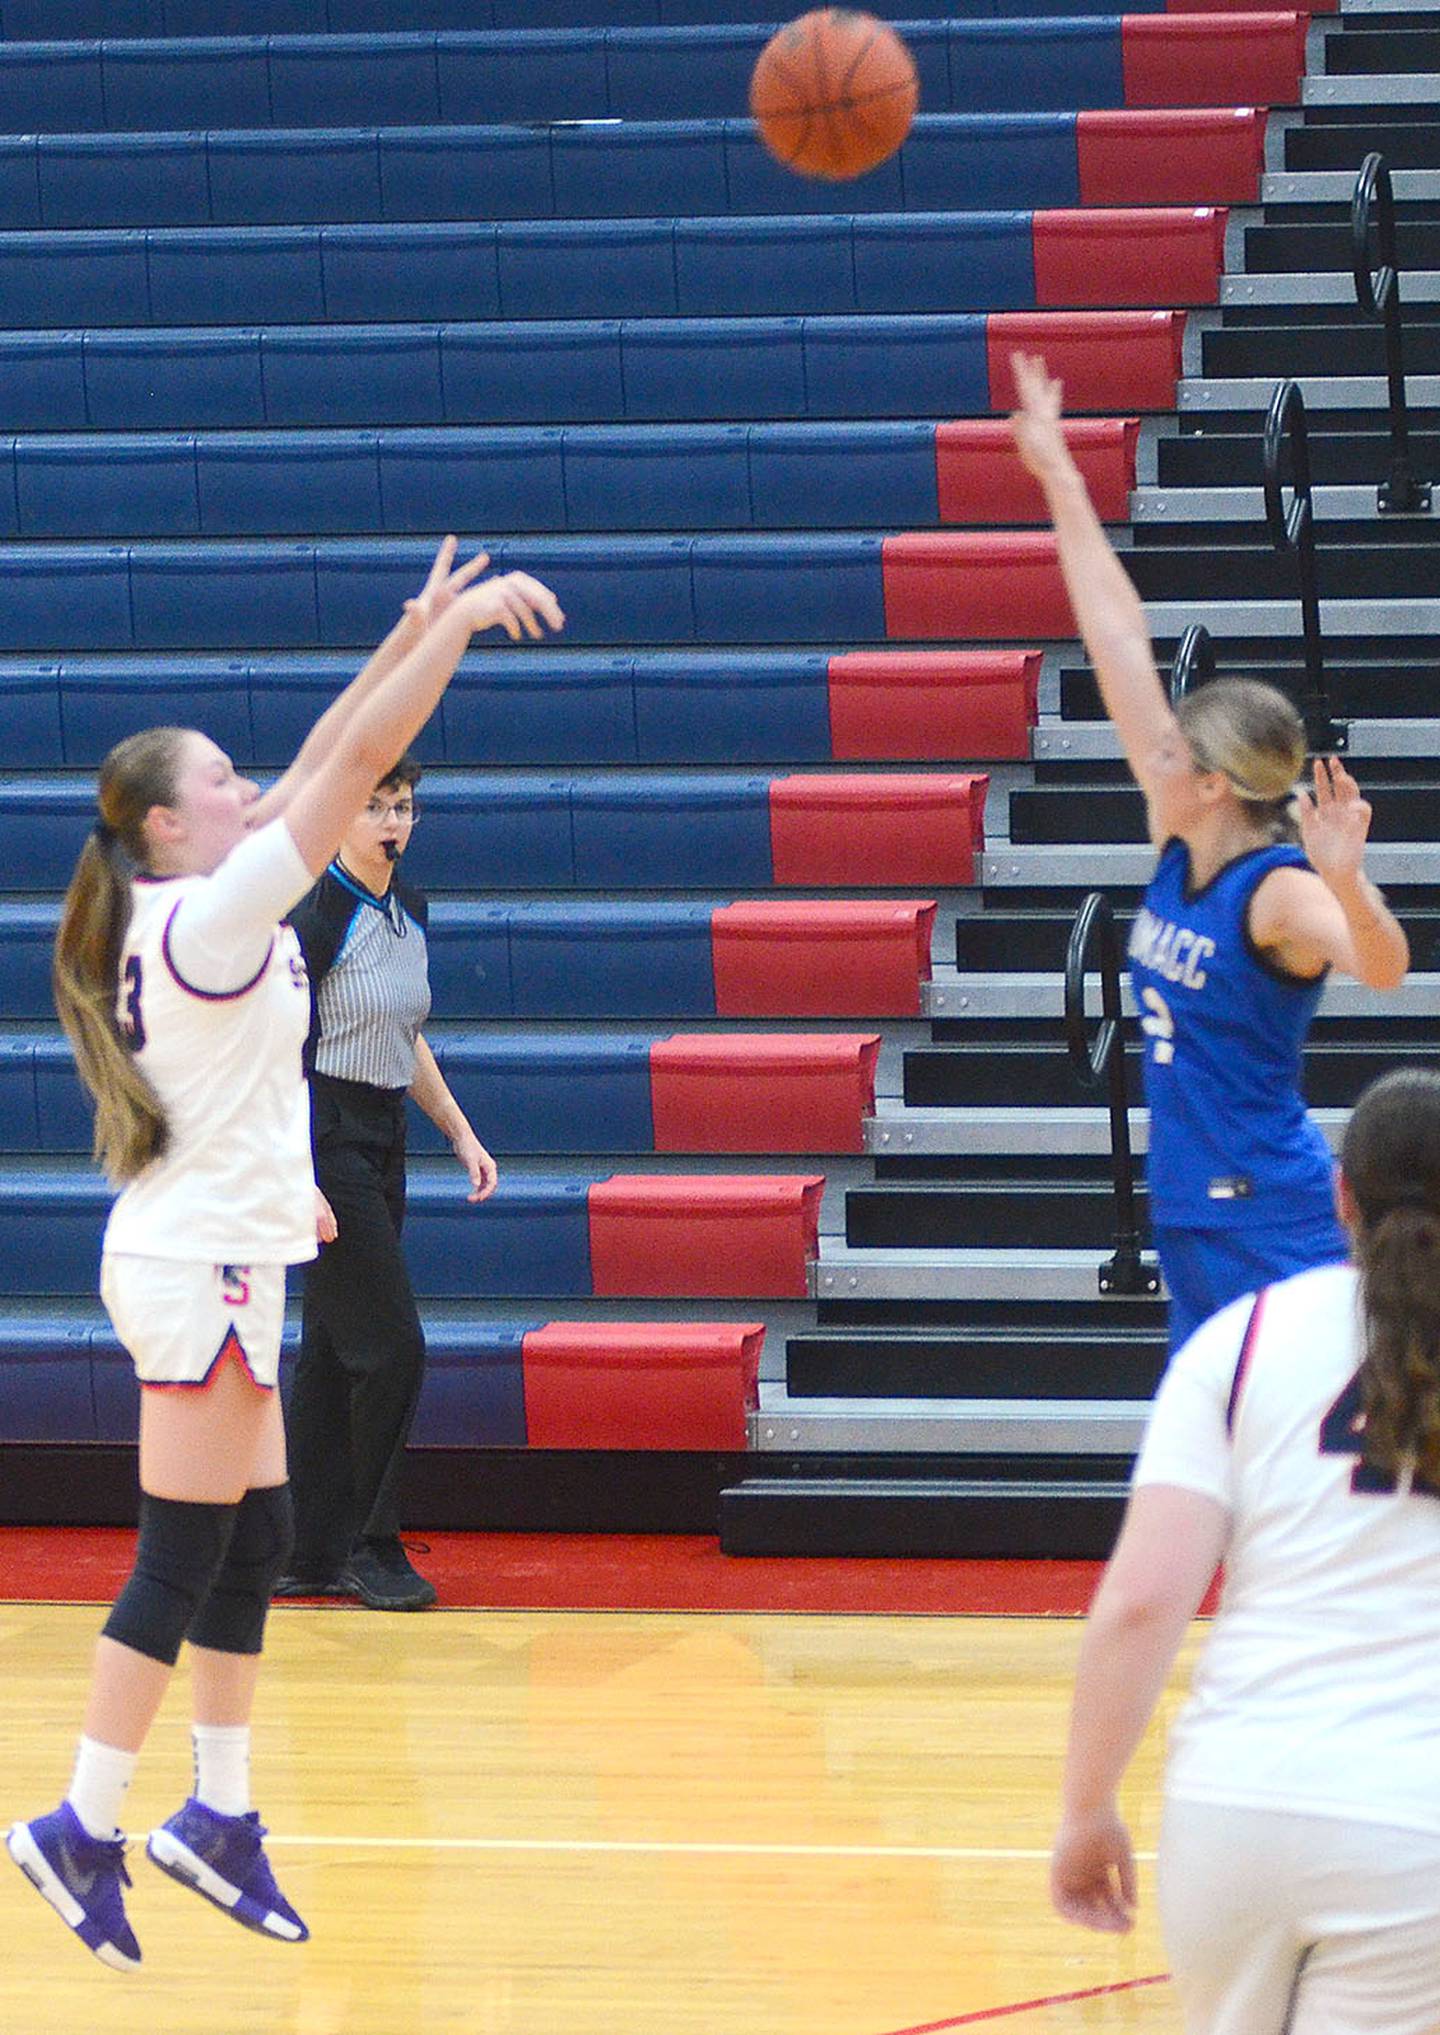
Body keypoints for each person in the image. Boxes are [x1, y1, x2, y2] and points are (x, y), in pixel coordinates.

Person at [6, 539, 563, 1972]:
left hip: (227, 1239)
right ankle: (80, 1816)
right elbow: (352, 760)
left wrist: (410, 627)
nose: (243, 790)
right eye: (218, 785)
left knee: (256, 1532)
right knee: (186, 1546)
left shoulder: (181, 901)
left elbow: (327, 746)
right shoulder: (210, 915)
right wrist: (452, 643)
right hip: (199, 1261)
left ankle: (223, 1814)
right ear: (166, 829)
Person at [1009, 350, 1410, 1351]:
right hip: (1189, 1214)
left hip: (1269, 1220)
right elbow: (1115, 638)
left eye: (1179, 744)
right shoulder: (1175, 828)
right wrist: (1060, 481)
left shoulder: (1273, 892)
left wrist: (1349, 883)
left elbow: (1387, 966)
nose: (1157, 742)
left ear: (1219, 780)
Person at [1050, 1065, 1440, 2032]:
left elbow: (1142, 1603)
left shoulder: (1243, 1337)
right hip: (1416, 1823)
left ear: (1339, 1194)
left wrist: (1086, 1804)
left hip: (1237, 1802)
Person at [276, 751, 496, 1612]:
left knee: (331, 1354)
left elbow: (405, 1036)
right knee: (396, 1344)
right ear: (342, 816)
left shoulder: (412, 908)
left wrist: (461, 1132)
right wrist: (296, 1175)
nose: (393, 822)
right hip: (322, 1137)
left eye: (402, 805)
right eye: (374, 807)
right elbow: (274, 1056)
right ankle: (371, 1546)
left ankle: (306, 1550)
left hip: (386, 1135)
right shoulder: (312, 917)